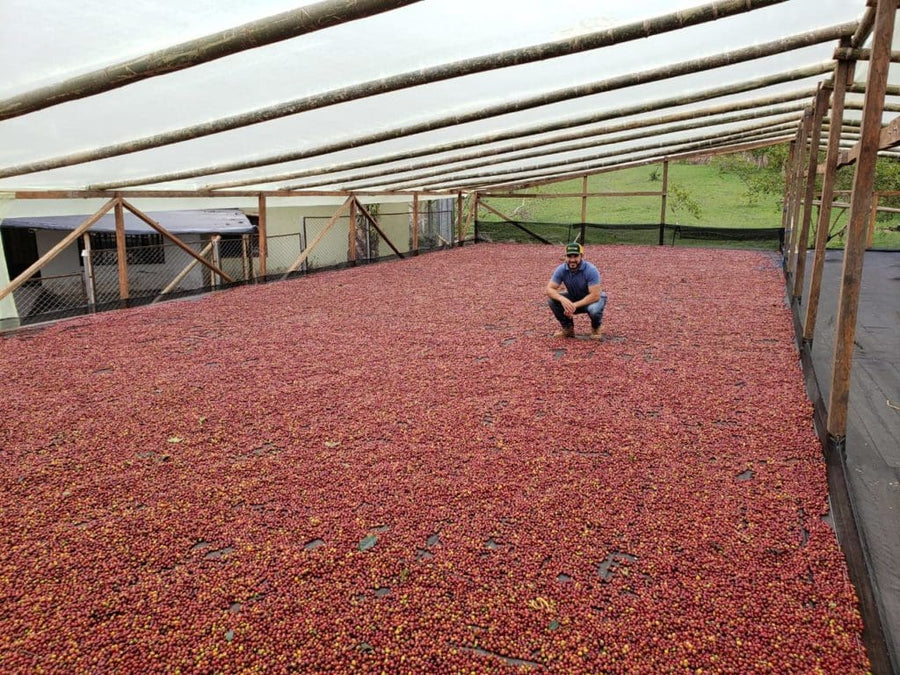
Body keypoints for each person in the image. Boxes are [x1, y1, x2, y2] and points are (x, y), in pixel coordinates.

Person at [546, 242, 607, 340]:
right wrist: (562, 299)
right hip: (574, 297)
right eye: (569, 256)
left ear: (581, 256)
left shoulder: (591, 270)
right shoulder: (561, 269)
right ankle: (568, 329)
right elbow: (549, 289)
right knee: (552, 300)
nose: (572, 260)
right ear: (565, 257)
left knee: (594, 310)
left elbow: (595, 295)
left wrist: (574, 305)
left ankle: (596, 328)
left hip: (592, 300)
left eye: (576, 256)